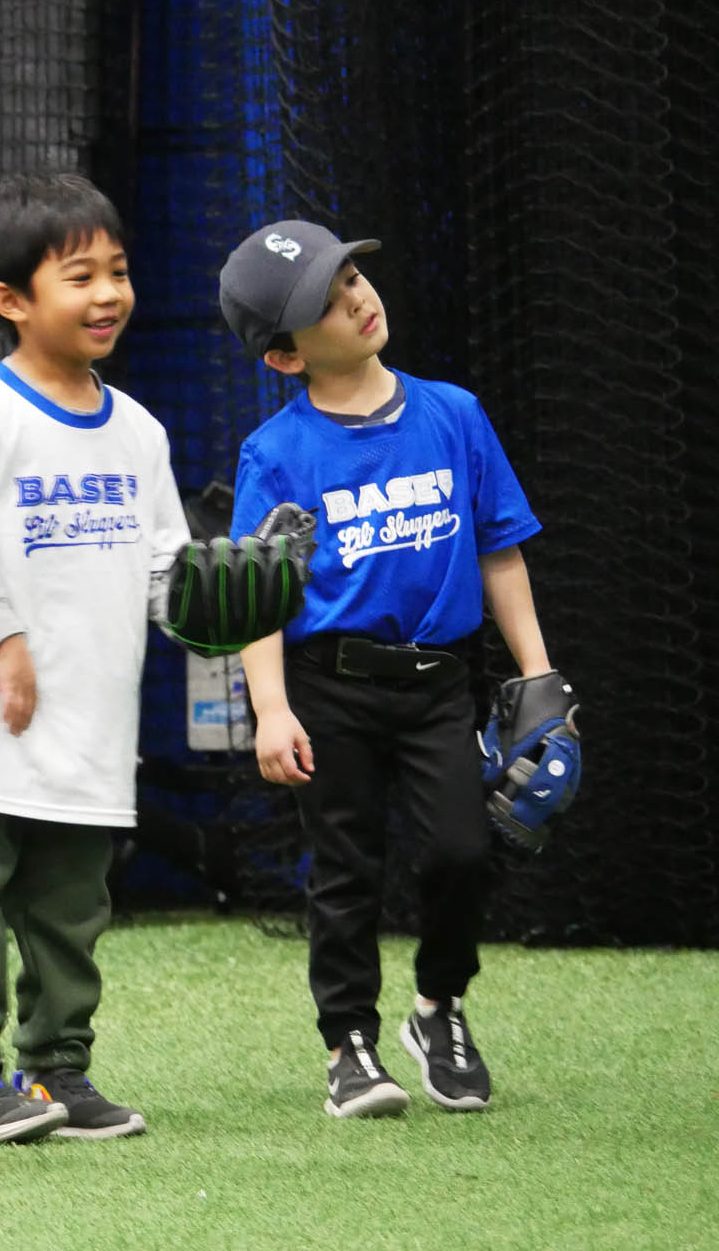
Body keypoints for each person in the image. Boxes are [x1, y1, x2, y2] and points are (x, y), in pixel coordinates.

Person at [217, 219, 552, 1117]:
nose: (357, 299)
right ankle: (349, 1046)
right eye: (325, 304)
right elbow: (256, 600)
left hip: (442, 681)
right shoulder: (276, 455)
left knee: (461, 851)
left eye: (351, 277)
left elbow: (501, 550)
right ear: (284, 359)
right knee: (345, 868)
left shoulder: (454, 413)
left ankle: (437, 1009)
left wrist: (539, 677)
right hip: (331, 688)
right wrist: (273, 710)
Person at [0, 173, 187, 1145]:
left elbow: (166, 567)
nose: (108, 293)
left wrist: (219, 602)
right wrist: (6, 643)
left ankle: (54, 1069)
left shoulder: (140, 430)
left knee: (71, 911)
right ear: (11, 301)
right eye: (80, 275)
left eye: (119, 270)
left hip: (86, 729)